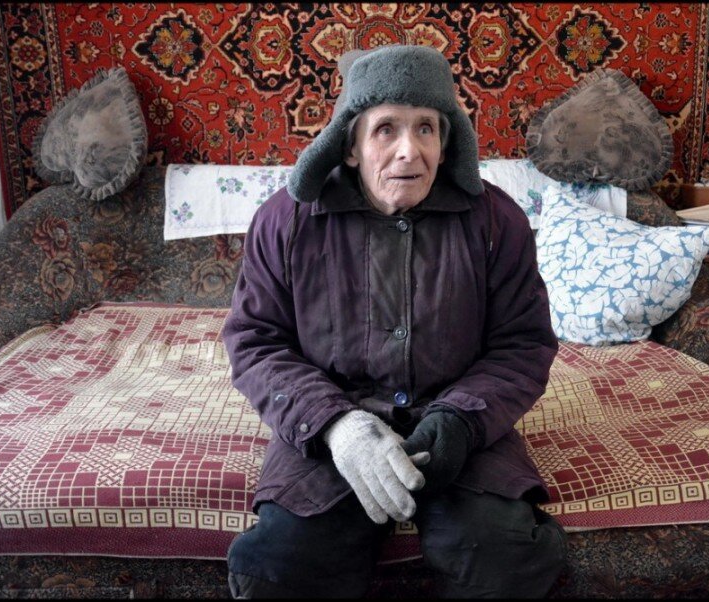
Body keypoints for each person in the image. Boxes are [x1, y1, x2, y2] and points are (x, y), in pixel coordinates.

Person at [222, 44, 566, 599]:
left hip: (460, 423)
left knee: (502, 558)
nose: (410, 151)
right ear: (351, 146)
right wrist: (337, 426)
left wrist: (462, 420)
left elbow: (523, 344)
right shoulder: (285, 221)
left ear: (446, 142)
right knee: (279, 566)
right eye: (386, 129)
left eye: (426, 128)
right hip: (330, 429)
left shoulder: (498, 221)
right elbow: (256, 342)